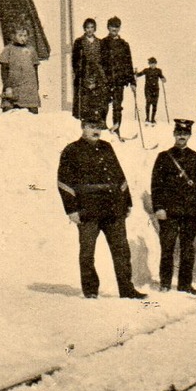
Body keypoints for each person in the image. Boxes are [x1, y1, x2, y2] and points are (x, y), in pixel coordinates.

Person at [57, 116, 146, 300]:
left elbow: (119, 175)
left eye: (98, 127)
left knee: (121, 250)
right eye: (91, 126)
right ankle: (90, 291)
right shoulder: (71, 150)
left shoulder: (107, 147)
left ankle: (127, 289)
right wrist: (71, 210)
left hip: (113, 209)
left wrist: (127, 201)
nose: (95, 131)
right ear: (83, 127)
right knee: (87, 252)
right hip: (87, 210)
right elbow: (63, 183)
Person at [150, 118, 196, 293]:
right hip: (169, 212)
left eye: (185, 133)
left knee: (187, 250)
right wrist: (159, 207)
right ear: (174, 134)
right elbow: (156, 185)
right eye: (179, 133)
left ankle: (185, 284)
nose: (182, 136)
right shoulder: (164, 157)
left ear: (189, 136)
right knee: (167, 248)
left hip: (190, 211)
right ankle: (165, 283)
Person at [100, 17, 136, 134]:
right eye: (112, 26)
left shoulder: (124, 45)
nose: (114, 29)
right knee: (104, 105)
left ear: (119, 28)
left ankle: (116, 131)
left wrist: (133, 82)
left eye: (117, 26)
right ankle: (103, 130)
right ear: (108, 27)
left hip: (119, 81)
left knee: (117, 107)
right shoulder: (103, 43)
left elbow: (128, 63)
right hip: (106, 80)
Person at [0, 22, 41, 113]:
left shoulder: (31, 50)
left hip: (29, 90)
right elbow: (4, 71)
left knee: (32, 117)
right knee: (10, 115)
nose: (23, 38)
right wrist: (7, 86)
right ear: (14, 36)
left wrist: (36, 86)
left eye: (25, 36)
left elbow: (35, 69)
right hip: (13, 89)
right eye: (20, 35)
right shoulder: (8, 49)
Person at [71, 18, 107, 123]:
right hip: (84, 72)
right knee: (84, 97)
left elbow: (102, 59)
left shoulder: (99, 42)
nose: (89, 30)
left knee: (96, 97)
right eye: (87, 27)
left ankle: (96, 121)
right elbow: (75, 59)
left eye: (92, 27)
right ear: (84, 29)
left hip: (97, 72)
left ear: (95, 29)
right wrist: (77, 71)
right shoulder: (79, 41)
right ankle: (82, 119)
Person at [139, 57, 165, 124]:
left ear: (156, 64)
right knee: (148, 102)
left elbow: (162, 77)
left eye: (154, 64)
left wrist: (163, 79)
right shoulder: (146, 70)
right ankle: (147, 118)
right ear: (149, 64)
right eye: (151, 64)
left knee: (155, 104)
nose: (152, 65)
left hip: (156, 89)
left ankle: (153, 119)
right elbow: (139, 74)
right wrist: (135, 74)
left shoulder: (158, 70)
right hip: (148, 89)